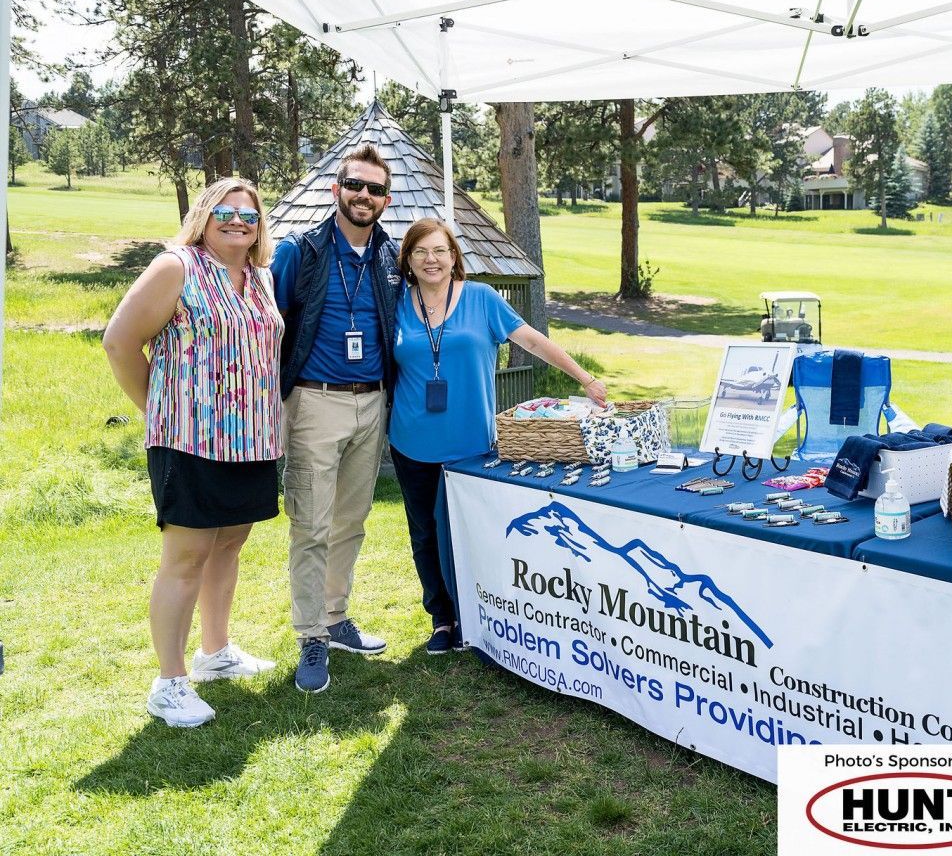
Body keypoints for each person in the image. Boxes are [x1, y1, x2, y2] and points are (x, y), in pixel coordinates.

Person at [102, 178, 283, 727]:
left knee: (229, 543)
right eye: (225, 212)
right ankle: (169, 680)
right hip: (189, 439)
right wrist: (157, 408)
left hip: (252, 439)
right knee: (185, 559)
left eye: (248, 215)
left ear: (259, 227)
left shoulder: (261, 277)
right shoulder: (176, 267)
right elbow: (119, 341)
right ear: (203, 216)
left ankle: (215, 653)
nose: (237, 221)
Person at [389, 218, 606, 654]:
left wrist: (583, 378)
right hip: (411, 441)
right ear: (409, 261)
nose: (432, 260)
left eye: (440, 251)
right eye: (421, 252)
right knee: (425, 532)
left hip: (473, 445)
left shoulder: (482, 299)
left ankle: (478, 610)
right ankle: (442, 618)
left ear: (455, 257)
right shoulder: (394, 303)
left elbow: (534, 341)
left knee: (471, 531)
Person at [271, 143, 402, 693]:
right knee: (312, 524)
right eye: (355, 185)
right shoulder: (299, 251)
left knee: (352, 519)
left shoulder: (392, 257)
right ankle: (311, 637)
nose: (363, 196)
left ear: (385, 199)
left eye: (374, 189)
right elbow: (268, 329)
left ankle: (335, 615)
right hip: (314, 401)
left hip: (371, 402)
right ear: (336, 189)